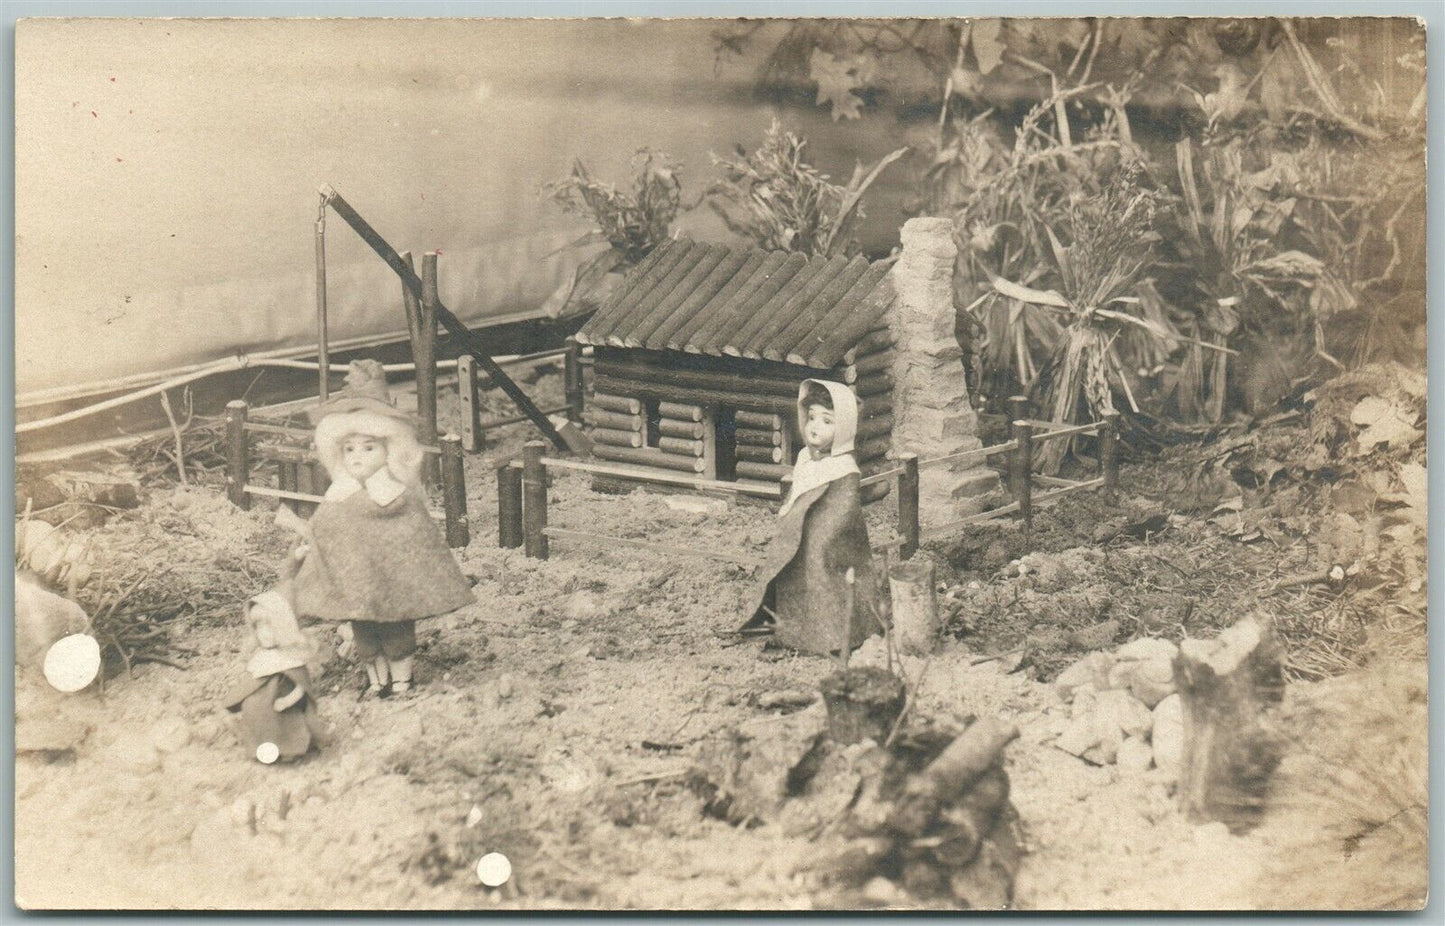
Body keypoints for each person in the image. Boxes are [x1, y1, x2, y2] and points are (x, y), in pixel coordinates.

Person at [291, 360, 474, 696]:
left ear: (390, 450)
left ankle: (401, 678)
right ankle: (377, 681)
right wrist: (309, 543)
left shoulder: (397, 497)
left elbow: (418, 542)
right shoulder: (339, 496)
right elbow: (324, 531)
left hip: (395, 587)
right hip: (357, 586)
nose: (357, 456)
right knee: (364, 635)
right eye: (349, 449)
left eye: (368, 447)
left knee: (397, 632)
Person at [739, 379, 882, 655]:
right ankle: (791, 633)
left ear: (844, 430)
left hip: (831, 543)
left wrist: (823, 537)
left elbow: (843, 512)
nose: (815, 426)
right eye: (812, 417)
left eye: (827, 421)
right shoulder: (806, 457)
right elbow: (798, 494)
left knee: (825, 580)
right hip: (801, 534)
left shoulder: (843, 467)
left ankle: (835, 639)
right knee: (790, 575)